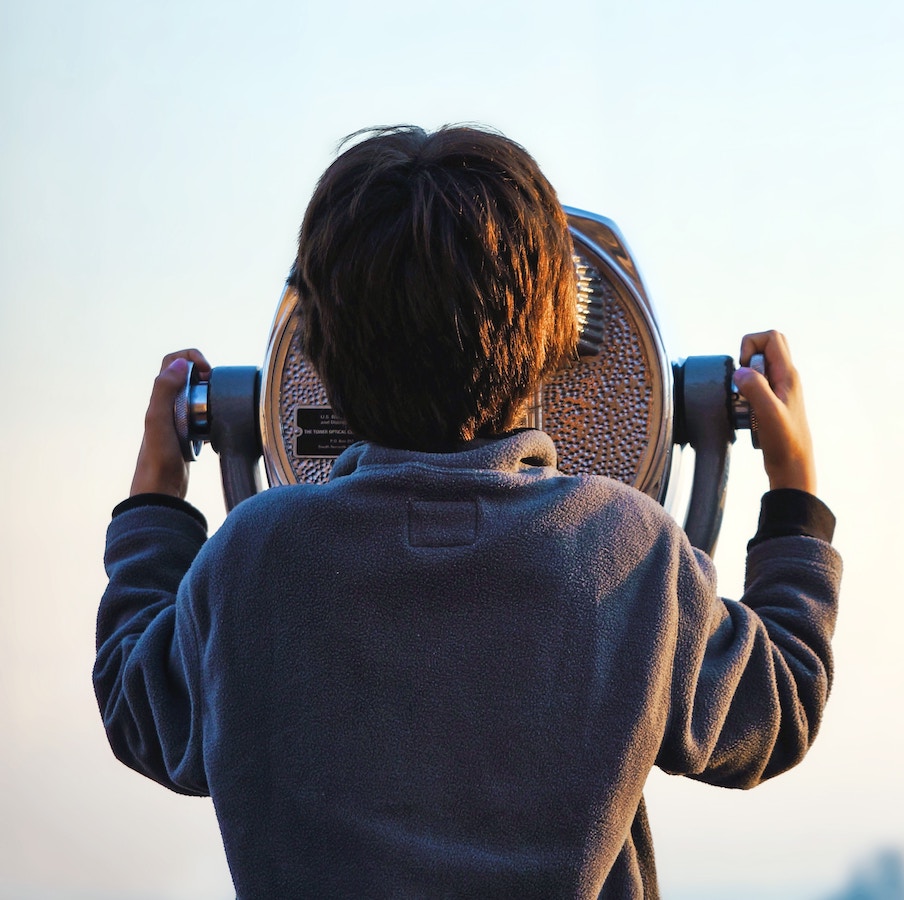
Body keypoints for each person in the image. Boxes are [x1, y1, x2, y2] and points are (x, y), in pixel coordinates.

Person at [94, 125, 841, 899]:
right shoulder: (627, 552)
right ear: (557, 335)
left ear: (311, 346)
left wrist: (155, 497)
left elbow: (137, 707)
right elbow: (777, 708)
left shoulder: (256, 558)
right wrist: (793, 493)